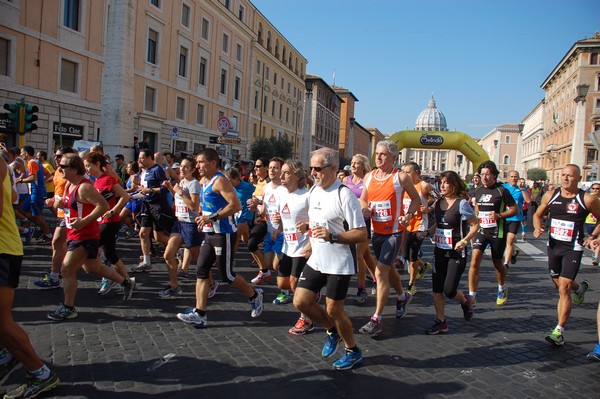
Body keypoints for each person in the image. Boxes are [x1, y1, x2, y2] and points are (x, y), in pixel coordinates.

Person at [293, 147, 367, 370]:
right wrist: (308, 228)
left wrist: (333, 235)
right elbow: (320, 223)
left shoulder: (343, 195)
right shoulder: (314, 190)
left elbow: (362, 233)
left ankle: (352, 350)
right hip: (317, 259)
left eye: (317, 168)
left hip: (339, 263)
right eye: (311, 168)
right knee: (301, 302)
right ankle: (333, 331)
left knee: (334, 310)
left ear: (333, 168)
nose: (312, 173)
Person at [176, 149, 264, 328]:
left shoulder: (220, 180)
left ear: (213, 163)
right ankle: (200, 314)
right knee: (201, 271)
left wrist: (212, 217)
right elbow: (206, 207)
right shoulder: (204, 181)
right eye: (197, 162)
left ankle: (255, 296)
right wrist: (203, 218)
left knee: (227, 275)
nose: (198, 166)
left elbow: (236, 205)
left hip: (224, 234)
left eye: (201, 162)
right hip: (209, 233)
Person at [47, 153, 135, 321]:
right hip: (74, 233)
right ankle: (125, 282)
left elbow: (102, 206)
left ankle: (68, 307)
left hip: (86, 234)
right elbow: (72, 204)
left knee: (66, 268)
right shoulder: (68, 185)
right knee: (92, 267)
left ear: (74, 169)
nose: (60, 169)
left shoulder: (84, 187)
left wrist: (84, 221)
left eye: (63, 166)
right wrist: (59, 204)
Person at [0, 154, 60, 398]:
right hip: (6, 246)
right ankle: (8, 353)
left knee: (1, 321)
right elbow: (13, 197)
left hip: (3, 249)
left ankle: (40, 373)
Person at [358, 140, 421, 337]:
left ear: (393, 157)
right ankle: (402, 296)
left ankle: (377, 318)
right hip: (377, 232)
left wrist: (408, 215)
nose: (378, 157)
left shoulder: (400, 177)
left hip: (394, 232)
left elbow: (416, 199)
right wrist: (364, 208)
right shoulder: (369, 177)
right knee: (388, 268)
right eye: (377, 153)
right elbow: (363, 198)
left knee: (380, 272)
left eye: (383, 154)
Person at [533, 164, 600, 346]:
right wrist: (537, 226)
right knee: (558, 283)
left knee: (564, 287)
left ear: (578, 178)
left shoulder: (587, 199)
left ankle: (559, 331)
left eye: (570, 176)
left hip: (573, 247)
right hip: (554, 246)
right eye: (563, 175)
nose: (565, 178)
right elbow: (537, 214)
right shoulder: (550, 195)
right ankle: (580, 288)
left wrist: (593, 235)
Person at [421, 171, 479, 334]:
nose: (443, 185)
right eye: (441, 182)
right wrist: (426, 233)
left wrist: (465, 240)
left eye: (446, 182)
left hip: (456, 253)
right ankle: (441, 321)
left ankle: (465, 300)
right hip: (439, 251)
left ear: (454, 184)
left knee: (449, 290)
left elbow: (475, 225)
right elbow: (438, 225)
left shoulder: (461, 204)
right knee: (436, 290)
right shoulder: (438, 203)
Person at [271, 160, 313, 334]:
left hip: (302, 247)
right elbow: (286, 218)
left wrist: (310, 237)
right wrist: (279, 227)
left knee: (295, 283)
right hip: (287, 246)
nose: (281, 176)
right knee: (283, 282)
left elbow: (318, 220)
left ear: (297, 176)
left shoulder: (307, 196)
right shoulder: (281, 193)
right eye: (282, 172)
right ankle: (310, 296)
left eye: (286, 173)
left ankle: (306, 319)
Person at [468, 160, 518, 306]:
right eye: (482, 174)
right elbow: (477, 209)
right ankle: (472, 296)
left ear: (494, 175)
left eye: (487, 174)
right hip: (482, 230)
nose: (484, 177)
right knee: (475, 260)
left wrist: (499, 216)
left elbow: (515, 209)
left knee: (497, 264)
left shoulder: (502, 191)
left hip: (498, 232)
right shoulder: (478, 190)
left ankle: (502, 287)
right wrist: (474, 223)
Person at [84, 152, 132, 296]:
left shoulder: (107, 179)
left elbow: (125, 196)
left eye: (88, 165)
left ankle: (108, 277)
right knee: (111, 254)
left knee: (89, 250)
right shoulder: (95, 181)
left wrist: (113, 211)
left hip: (109, 222)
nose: (86, 169)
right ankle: (128, 282)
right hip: (102, 221)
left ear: (97, 165)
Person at [160, 157, 204, 299]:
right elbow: (179, 199)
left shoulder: (194, 184)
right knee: (168, 255)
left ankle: (211, 283)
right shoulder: (181, 182)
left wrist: (180, 192)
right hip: (179, 223)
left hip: (190, 224)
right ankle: (174, 286)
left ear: (192, 170)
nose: (182, 169)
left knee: (198, 260)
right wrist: (170, 189)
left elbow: (194, 207)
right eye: (181, 167)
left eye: (186, 167)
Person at [34, 147, 75, 289]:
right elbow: (59, 189)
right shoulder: (59, 171)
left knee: (57, 242)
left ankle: (54, 276)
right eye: (55, 156)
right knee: (62, 245)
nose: (56, 158)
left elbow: (78, 192)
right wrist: (53, 200)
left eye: (58, 156)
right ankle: (58, 273)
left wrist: (63, 201)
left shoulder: (73, 172)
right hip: (61, 212)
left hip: (70, 213)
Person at [132, 149, 175, 272]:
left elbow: (165, 188)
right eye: (139, 158)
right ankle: (146, 262)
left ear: (150, 158)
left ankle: (177, 249)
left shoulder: (157, 170)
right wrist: (134, 194)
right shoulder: (143, 172)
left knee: (159, 236)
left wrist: (150, 190)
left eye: (142, 158)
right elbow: (144, 190)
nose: (139, 160)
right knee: (143, 233)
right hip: (146, 205)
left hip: (157, 206)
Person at [342, 154, 376, 304]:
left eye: (357, 163)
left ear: (364, 166)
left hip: (363, 221)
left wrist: (367, 208)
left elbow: (372, 199)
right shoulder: (345, 180)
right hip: (348, 221)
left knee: (358, 254)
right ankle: (377, 279)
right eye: (352, 163)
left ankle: (361, 288)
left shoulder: (367, 180)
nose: (353, 166)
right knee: (367, 255)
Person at [251, 158, 285, 291]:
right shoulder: (266, 187)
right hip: (270, 231)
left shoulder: (284, 189)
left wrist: (281, 222)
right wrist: (259, 215)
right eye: (270, 167)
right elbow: (264, 207)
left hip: (281, 232)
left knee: (277, 265)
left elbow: (290, 210)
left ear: (281, 170)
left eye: (276, 168)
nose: (272, 170)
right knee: (267, 264)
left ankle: (285, 290)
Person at [401, 161, 434, 296]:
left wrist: (429, 208)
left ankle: (411, 284)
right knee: (404, 256)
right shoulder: (402, 185)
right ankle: (424, 265)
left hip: (419, 225)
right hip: (405, 224)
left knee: (412, 256)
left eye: (408, 172)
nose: (404, 174)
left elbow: (440, 199)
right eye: (403, 172)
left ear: (417, 173)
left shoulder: (424, 186)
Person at [18, 145, 52, 243]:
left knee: (37, 215)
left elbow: (33, 178)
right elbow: (48, 174)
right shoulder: (37, 162)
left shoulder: (32, 163)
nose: (21, 154)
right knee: (23, 209)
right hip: (35, 191)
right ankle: (38, 228)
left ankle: (48, 234)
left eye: (22, 152)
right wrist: (42, 182)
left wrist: (20, 180)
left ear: (26, 153)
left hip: (36, 192)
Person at [501, 171, 532, 272]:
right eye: (512, 176)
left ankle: (505, 263)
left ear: (518, 178)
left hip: (515, 218)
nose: (514, 178)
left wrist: (522, 188)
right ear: (508, 178)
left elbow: (528, 201)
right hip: (503, 217)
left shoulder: (522, 189)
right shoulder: (503, 187)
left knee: (510, 240)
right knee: (504, 240)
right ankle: (513, 253)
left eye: (516, 177)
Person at [246, 157, 270, 282]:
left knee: (251, 243)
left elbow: (270, 202)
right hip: (257, 217)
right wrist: (253, 206)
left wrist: (258, 202)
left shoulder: (268, 183)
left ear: (266, 168)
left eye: (258, 166)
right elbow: (258, 202)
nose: (255, 168)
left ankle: (265, 269)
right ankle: (264, 269)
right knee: (250, 244)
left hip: (266, 219)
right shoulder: (259, 182)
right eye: (255, 166)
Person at [585, 183, 600, 266]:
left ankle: (596, 256)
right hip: (589, 222)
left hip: (599, 223)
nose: (595, 190)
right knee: (593, 240)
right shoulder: (587, 198)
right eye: (593, 188)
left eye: (597, 188)